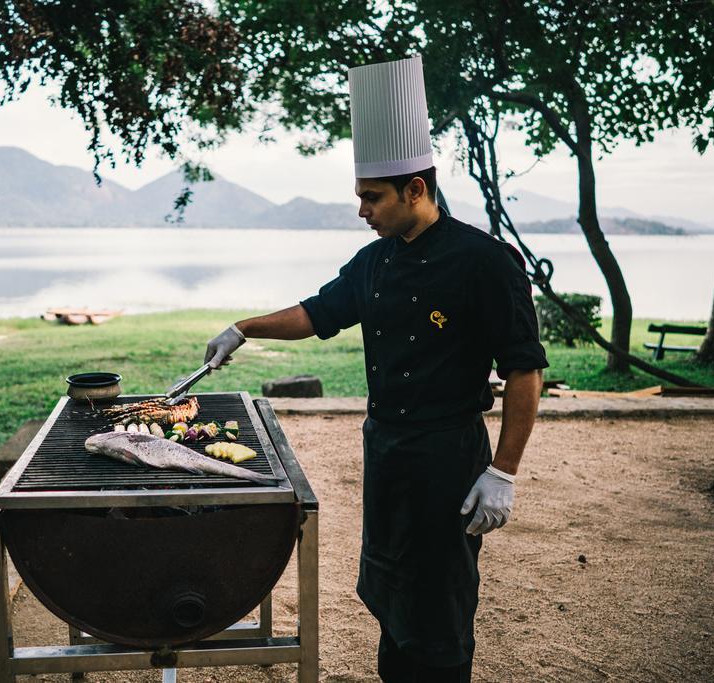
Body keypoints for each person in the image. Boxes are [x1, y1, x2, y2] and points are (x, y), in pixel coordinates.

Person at [202, 56, 547, 682]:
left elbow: (525, 370)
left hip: (448, 454)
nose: (362, 210)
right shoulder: (374, 261)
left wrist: (503, 471)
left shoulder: (485, 261)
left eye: (372, 197)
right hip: (385, 448)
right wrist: (244, 328)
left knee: (439, 603)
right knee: (388, 587)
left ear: (416, 189)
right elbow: (317, 312)